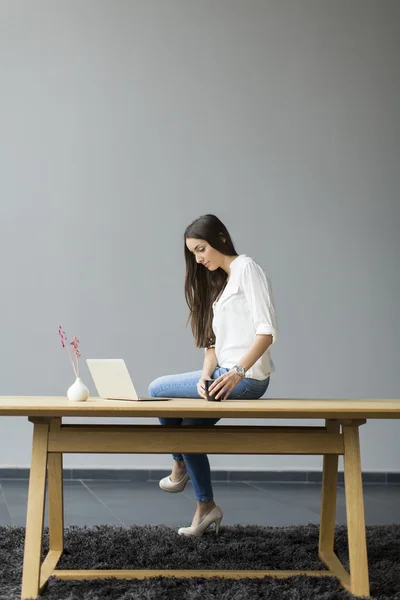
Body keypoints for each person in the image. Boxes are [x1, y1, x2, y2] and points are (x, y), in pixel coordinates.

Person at [148, 214, 278, 537]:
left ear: (220, 239)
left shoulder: (247, 269)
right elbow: (212, 347)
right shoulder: (220, 286)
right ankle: (206, 508)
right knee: (190, 430)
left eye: (201, 249)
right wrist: (204, 378)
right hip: (222, 374)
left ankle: (178, 467)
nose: (199, 258)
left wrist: (236, 372)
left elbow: (267, 331)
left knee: (157, 389)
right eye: (193, 253)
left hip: (246, 378)